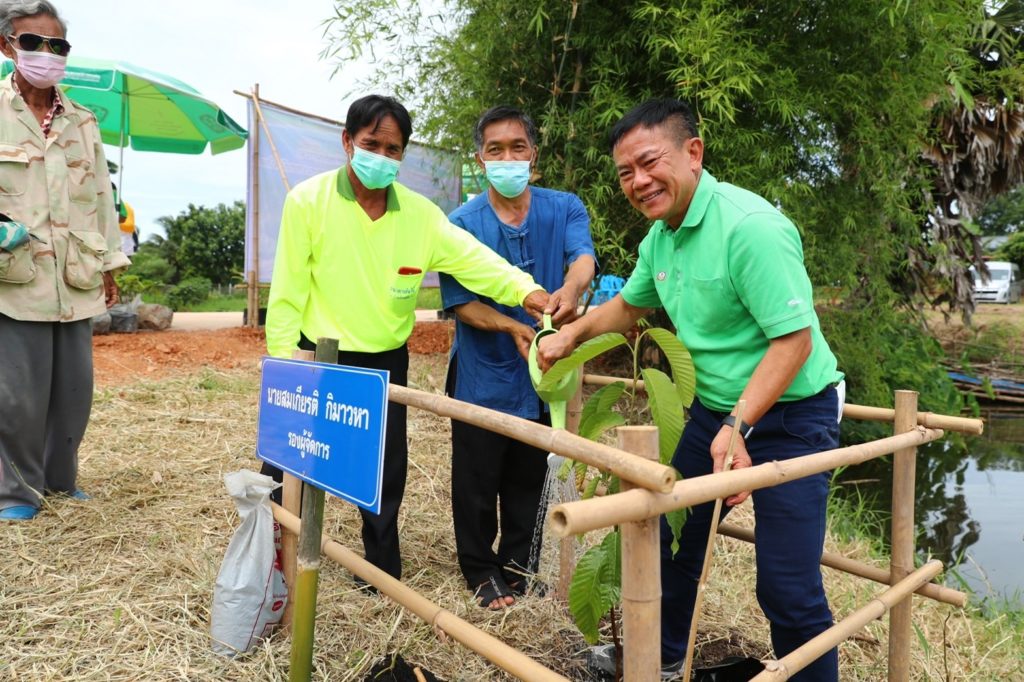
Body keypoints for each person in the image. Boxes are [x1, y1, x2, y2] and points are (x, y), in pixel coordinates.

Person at [538, 99, 844, 680]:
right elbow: (630, 304)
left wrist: (739, 426)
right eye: (626, 172)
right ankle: (662, 656)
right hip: (715, 410)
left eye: (649, 162)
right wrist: (572, 334)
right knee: (672, 537)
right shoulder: (661, 236)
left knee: (786, 584)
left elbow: (794, 343)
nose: (639, 181)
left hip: (792, 416)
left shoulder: (751, 229)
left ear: (694, 153)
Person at [263, 95, 551, 581]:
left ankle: (379, 571)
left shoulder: (421, 217)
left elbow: (475, 261)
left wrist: (528, 292)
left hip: (385, 361)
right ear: (347, 142)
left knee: (381, 470)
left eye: (393, 149)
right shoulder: (308, 202)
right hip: (317, 356)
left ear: (403, 155)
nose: (381, 156)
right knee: (289, 466)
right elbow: (288, 290)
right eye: (372, 144)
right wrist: (285, 366)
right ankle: (274, 565)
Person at [439, 106, 596, 609]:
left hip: (544, 373)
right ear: (480, 159)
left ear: (534, 155)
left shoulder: (564, 207)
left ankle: (520, 568)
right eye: (495, 150)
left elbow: (583, 258)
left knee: (531, 478)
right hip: (483, 376)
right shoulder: (461, 223)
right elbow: (460, 303)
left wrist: (571, 288)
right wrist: (509, 324)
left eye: (517, 148)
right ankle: (481, 571)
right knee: (477, 481)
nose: (507, 158)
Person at [0, 0, 129, 521]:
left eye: (57, 45)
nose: (45, 53)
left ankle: (60, 480)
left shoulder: (82, 120)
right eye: (32, 41)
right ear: (7, 45)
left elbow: (101, 194)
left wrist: (112, 265)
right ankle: (16, 493)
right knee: (18, 397)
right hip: (16, 275)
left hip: (75, 273)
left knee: (74, 393)